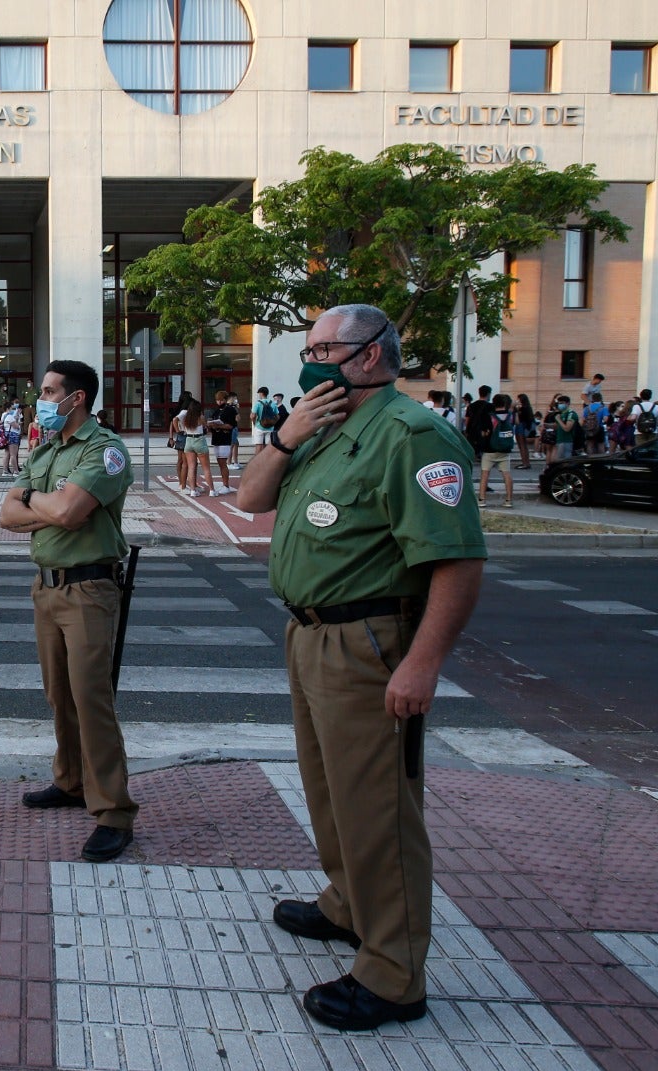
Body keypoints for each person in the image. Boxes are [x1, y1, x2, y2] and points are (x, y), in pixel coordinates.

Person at [237, 303, 484, 1032]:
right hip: (311, 635)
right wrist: (286, 434)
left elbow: (458, 563)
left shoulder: (413, 435)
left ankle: (393, 974)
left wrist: (423, 664)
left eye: (324, 349)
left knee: (378, 809)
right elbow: (251, 498)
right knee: (329, 792)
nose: (310, 361)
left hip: (370, 643)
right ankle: (349, 904)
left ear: (372, 355)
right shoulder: (327, 425)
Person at [0, 359, 138, 865]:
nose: (42, 398)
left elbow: (66, 512)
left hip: (88, 590)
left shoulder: (106, 451)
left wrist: (40, 503)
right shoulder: (47, 449)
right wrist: (48, 503)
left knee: (91, 699)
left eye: (49, 391)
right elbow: (5, 515)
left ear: (76, 398)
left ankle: (114, 811)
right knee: (60, 695)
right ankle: (72, 781)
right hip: (47, 586)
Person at [477, 393, 516, 508]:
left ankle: (482, 499)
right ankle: (508, 500)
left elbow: (484, 432)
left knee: (485, 474)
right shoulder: (511, 416)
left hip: (490, 450)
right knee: (507, 475)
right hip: (505, 449)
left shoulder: (490, 416)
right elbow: (515, 424)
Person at [206, 390, 236, 495]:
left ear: (225, 400)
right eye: (217, 400)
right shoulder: (217, 411)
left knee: (223, 463)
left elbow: (231, 425)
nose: (219, 402)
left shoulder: (230, 410)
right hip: (216, 438)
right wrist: (210, 425)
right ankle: (224, 484)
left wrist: (218, 425)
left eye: (221, 400)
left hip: (225, 439)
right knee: (220, 463)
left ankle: (226, 485)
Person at [177, 399, 208, 497]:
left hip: (188, 441)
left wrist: (180, 431)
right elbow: (205, 426)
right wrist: (179, 431)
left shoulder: (187, 416)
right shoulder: (193, 415)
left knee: (190, 466)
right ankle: (184, 486)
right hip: (195, 440)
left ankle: (192, 488)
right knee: (203, 468)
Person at [0, 398, 23, 476]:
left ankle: (5, 471)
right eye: (12, 408)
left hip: (7, 435)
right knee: (13, 454)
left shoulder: (4, 415)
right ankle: (16, 471)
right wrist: (19, 425)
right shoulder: (9, 416)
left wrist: (17, 415)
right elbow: (16, 426)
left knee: (7, 453)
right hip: (12, 435)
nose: (13, 409)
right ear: (8, 408)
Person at [252, 386, 279, 452]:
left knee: (259, 445)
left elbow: (252, 416)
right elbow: (278, 416)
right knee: (268, 446)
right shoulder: (273, 403)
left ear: (261, 393)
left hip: (259, 426)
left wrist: (254, 423)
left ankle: (258, 461)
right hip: (270, 427)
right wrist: (273, 422)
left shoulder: (258, 403)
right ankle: (267, 461)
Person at [514, 393, 535, 469]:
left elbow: (518, 420)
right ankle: (527, 462)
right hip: (526, 427)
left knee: (521, 446)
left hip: (521, 427)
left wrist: (516, 410)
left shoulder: (521, 409)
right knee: (524, 446)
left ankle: (524, 463)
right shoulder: (528, 408)